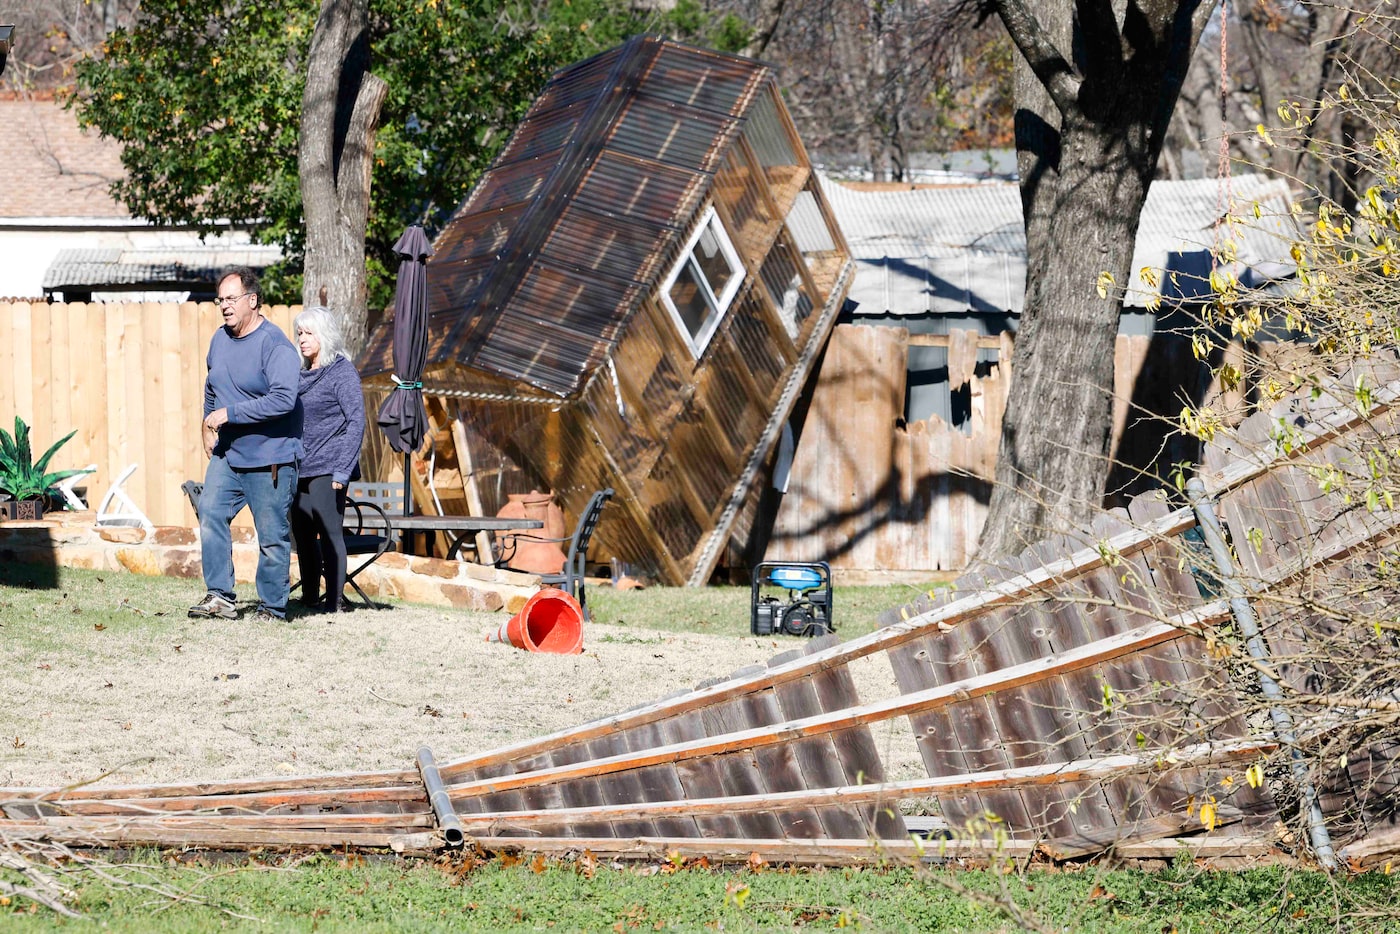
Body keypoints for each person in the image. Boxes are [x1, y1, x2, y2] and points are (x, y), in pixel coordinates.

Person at [188, 267, 303, 622]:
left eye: (231, 299)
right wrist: (207, 424)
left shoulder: (275, 345)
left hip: (270, 458)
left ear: (252, 300)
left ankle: (272, 607)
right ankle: (220, 597)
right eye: (220, 299)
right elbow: (213, 386)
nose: (224, 306)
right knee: (210, 512)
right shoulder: (219, 340)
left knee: (270, 536)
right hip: (229, 454)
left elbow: (284, 399)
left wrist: (228, 414)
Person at [290, 306, 365, 613]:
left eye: (309, 333)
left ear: (324, 335)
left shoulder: (342, 371)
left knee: (330, 533)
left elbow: (356, 421)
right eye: (299, 333)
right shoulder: (298, 375)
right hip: (300, 467)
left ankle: (333, 602)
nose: (303, 339)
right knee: (304, 535)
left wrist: (342, 470)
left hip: (330, 468)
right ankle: (309, 598)